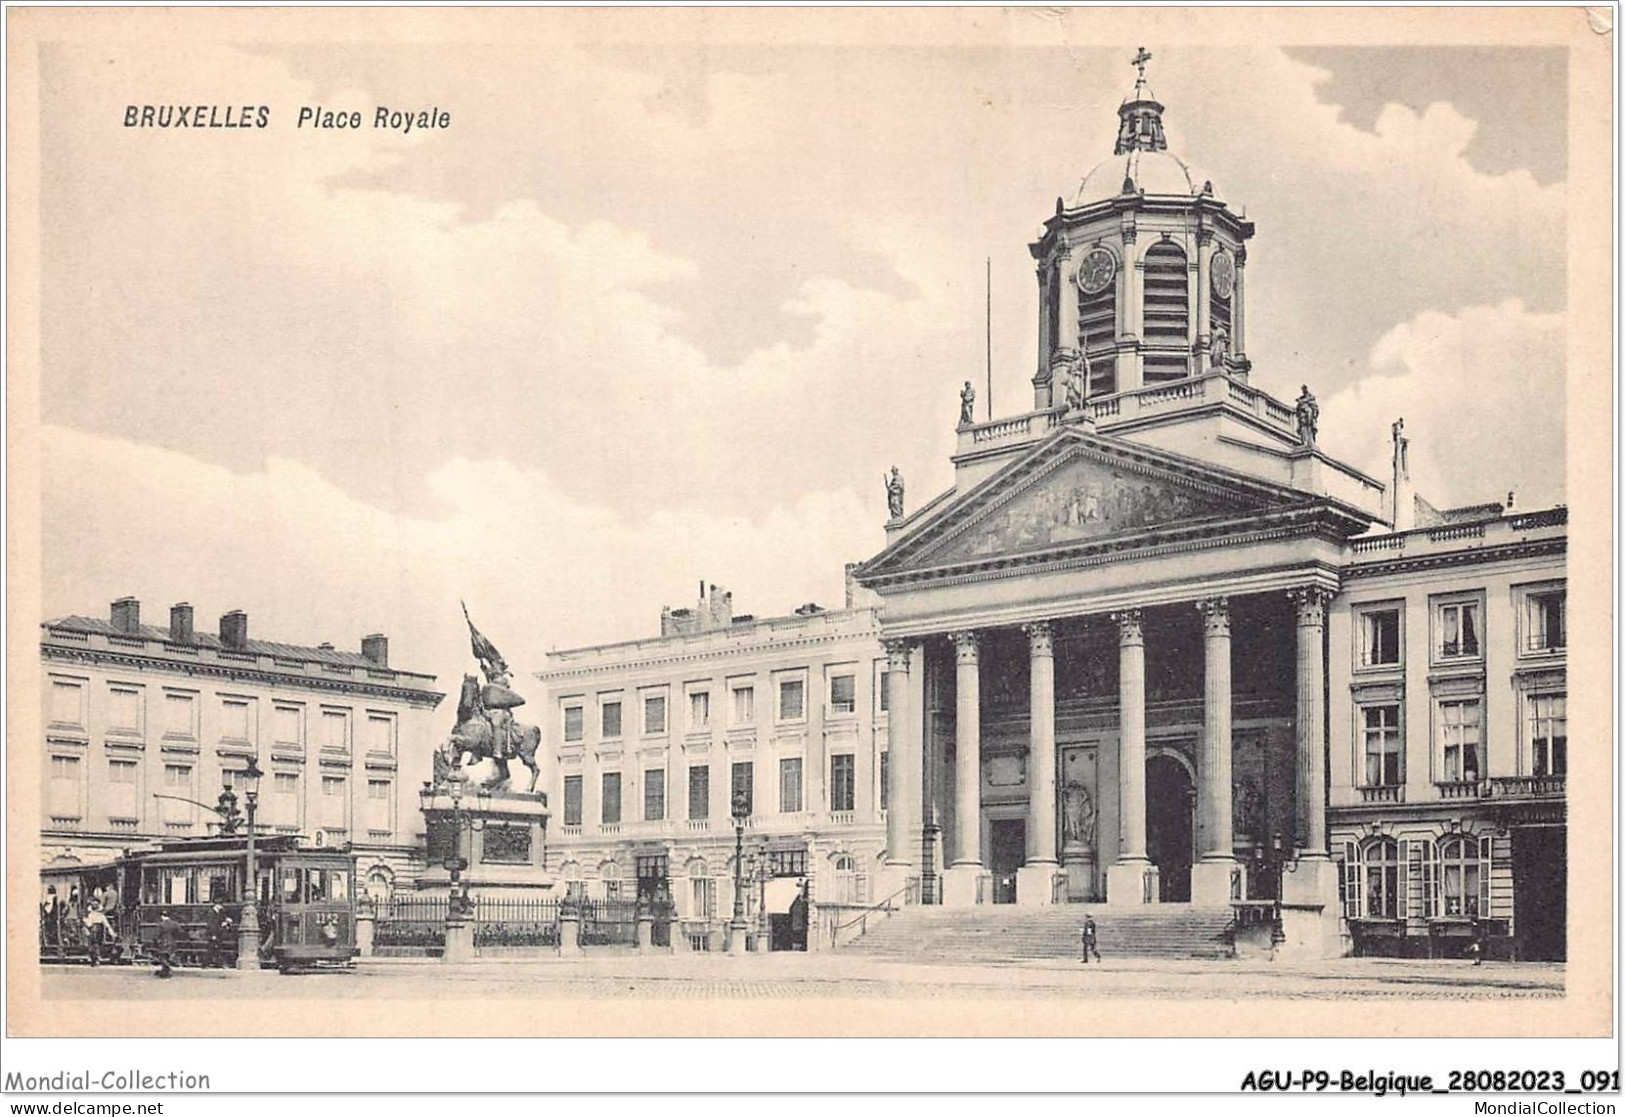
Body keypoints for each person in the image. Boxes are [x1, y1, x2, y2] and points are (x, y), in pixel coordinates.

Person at [82, 901, 115, 967]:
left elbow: (89, 924)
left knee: (92, 945)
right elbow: (107, 925)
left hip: (92, 930)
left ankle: (93, 959)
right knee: (97, 944)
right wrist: (112, 933)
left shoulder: (90, 915)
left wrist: (85, 921)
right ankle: (97, 959)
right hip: (99, 930)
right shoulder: (101, 916)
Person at [153, 911, 183, 978]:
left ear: (162, 916)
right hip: (172, 942)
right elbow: (181, 932)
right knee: (167, 957)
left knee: (162, 957)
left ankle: (168, 970)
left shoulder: (161, 924)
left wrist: (156, 941)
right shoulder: (174, 924)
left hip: (164, 942)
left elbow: (157, 935)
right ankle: (165, 971)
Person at [204, 901, 235, 968]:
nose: (222, 907)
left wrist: (225, 921)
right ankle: (206, 963)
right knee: (212, 948)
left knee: (215, 948)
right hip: (213, 934)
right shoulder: (211, 913)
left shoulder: (218, 913)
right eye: (221, 905)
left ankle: (215, 963)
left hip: (217, 933)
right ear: (217, 905)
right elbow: (211, 925)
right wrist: (213, 934)